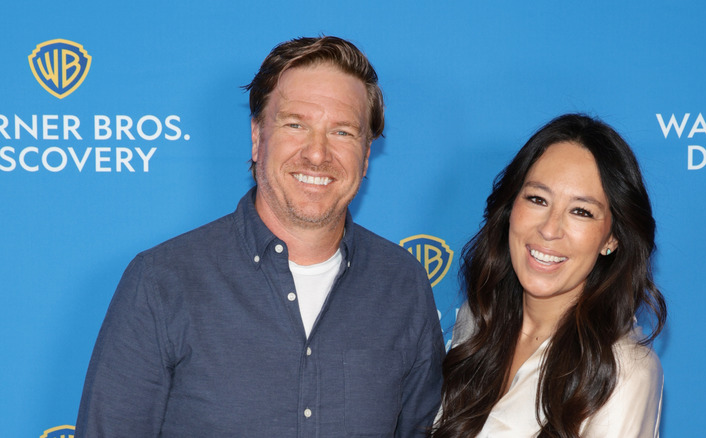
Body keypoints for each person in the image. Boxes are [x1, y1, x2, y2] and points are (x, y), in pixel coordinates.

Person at [75, 36, 445, 437]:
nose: (317, 154)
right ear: (257, 137)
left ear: (367, 153)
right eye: (295, 124)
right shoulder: (162, 281)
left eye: (342, 132)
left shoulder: (402, 283)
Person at [431, 114, 667, 438]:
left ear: (612, 238)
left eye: (581, 211)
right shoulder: (478, 323)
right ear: (510, 207)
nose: (549, 229)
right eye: (537, 199)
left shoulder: (624, 369)